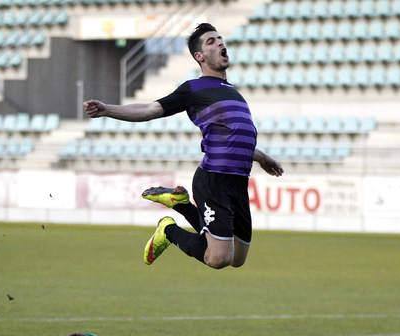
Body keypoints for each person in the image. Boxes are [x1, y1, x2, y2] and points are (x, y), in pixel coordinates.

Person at [83, 22, 284, 270]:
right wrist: (108, 110)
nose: (220, 43)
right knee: (219, 257)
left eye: (220, 38)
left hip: (238, 184)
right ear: (199, 57)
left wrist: (262, 157)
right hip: (213, 181)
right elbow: (149, 110)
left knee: (237, 259)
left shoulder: (233, 92)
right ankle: (168, 230)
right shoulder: (193, 89)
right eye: (211, 41)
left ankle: (181, 204)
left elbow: (235, 141)